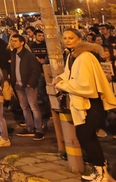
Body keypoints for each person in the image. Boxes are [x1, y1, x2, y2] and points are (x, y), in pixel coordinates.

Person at [53, 29, 116, 182]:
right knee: (87, 137)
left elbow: (85, 85)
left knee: (86, 137)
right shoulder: (72, 55)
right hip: (82, 104)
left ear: (80, 39)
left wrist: (61, 85)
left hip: (89, 105)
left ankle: (101, 173)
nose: (67, 40)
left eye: (71, 38)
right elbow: (70, 74)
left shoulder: (84, 56)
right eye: (65, 38)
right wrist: (60, 78)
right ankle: (100, 171)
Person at [10, 34, 44, 140]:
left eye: (15, 41)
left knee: (34, 107)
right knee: (24, 107)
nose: (13, 43)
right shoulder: (14, 54)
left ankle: (39, 130)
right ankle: (29, 128)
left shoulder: (28, 55)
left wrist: (30, 83)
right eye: (12, 41)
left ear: (22, 42)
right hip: (18, 85)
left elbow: (36, 70)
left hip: (28, 85)